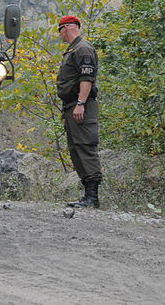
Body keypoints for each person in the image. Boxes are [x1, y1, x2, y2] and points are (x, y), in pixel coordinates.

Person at [56, 15, 102, 208]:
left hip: (80, 104)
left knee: (85, 145)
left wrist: (81, 103)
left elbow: (86, 79)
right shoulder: (74, 49)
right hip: (72, 105)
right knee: (76, 148)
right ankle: (87, 195)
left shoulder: (82, 48)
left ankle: (93, 197)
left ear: (66, 27)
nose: (59, 35)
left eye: (59, 30)